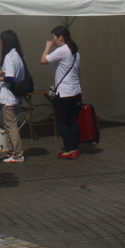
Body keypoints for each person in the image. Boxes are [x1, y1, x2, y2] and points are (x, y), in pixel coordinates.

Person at [41, 25, 82, 159]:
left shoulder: (62, 50)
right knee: (72, 120)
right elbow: (78, 72)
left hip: (64, 92)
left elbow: (43, 60)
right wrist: (81, 90)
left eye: (54, 37)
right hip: (74, 90)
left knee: (61, 121)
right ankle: (74, 147)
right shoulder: (75, 51)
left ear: (61, 37)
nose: (53, 40)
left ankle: (69, 149)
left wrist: (47, 47)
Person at [0, 30, 26, 163]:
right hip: (16, 96)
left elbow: (10, 78)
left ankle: (18, 154)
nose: (0, 42)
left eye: (1, 40)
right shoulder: (18, 55)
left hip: (9, 97)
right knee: (8, 125)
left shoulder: (8, 57)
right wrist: (2, 72)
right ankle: (11, 151)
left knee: (11, 126)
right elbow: (15, 73)